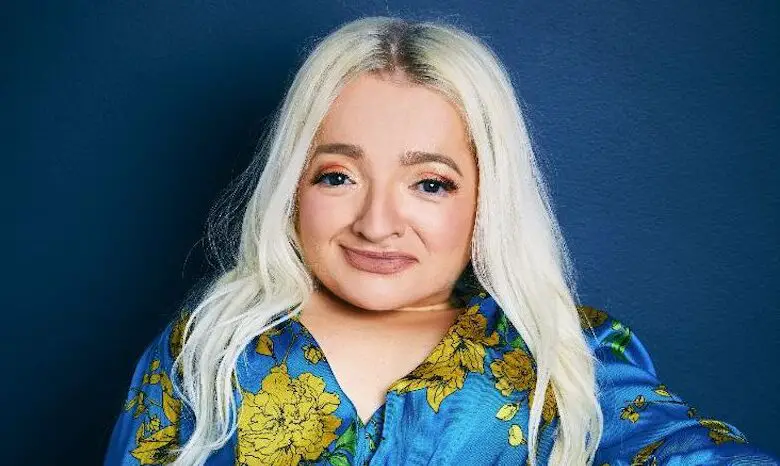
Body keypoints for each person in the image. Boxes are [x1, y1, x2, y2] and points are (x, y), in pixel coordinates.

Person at [104, 16, 778, 466]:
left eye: (430, 184)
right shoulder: (211, 350)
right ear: (292, 185)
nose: (377, 222)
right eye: (338, 176)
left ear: (487, 196)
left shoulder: (565, 355)